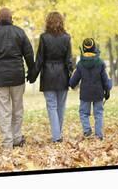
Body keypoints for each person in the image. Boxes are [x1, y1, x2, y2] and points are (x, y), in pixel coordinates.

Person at [0, 8, 35, 149]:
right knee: (17, 109)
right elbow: (29, 53)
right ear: (11, 19)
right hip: (17, 77)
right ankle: (17, 138)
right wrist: (32, 71)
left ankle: (7, 142)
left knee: (3, 111)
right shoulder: (20, 32)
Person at [29, 12, 73, 143]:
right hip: (63, 76)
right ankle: (57, 135)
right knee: (60, 106)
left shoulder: (44, 37)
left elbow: (40, 59)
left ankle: (57, 136)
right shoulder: (66, 38)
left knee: (52, 106)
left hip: (48, 75)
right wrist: (74, 76)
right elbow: (69, 60)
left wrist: (33, 75)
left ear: (48, 22)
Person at [69, 38, 112, 140]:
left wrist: (70, 83)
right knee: (99, 113)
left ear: (84, 49)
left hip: (85, 93)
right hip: (98, 92)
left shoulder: (80, 64)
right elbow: (105, 79)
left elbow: (73, 81)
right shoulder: (100, 63)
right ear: (94, 48)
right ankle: (98, 135)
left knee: (83, 113)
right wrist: (108, 89)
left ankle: (87, 131)